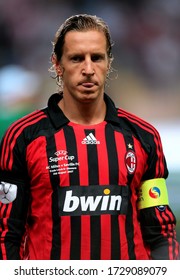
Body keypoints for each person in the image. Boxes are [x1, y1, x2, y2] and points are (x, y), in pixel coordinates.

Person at [0, 14, 179, 260]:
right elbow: (6, 233)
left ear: (108, 63)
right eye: (76, 58)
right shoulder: (23, 137)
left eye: (96, 57)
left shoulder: (143, 136)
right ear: (57, 64)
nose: (87, 69)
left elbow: (161, 231)